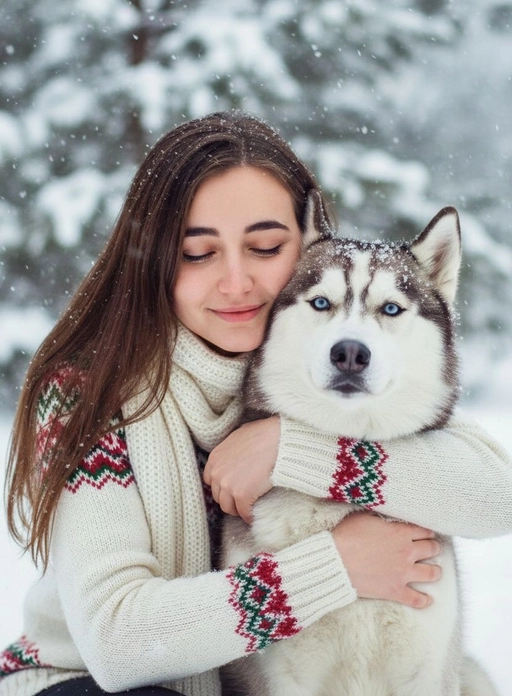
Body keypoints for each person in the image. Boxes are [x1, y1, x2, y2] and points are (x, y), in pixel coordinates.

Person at [1, 111, 511, 696]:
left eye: (265, 247)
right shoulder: (88, 394)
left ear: (309, 247)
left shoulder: (319, 369)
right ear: (154, 260)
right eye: (198, 253)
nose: (237, 282)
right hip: (85, 681)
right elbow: (119, 643)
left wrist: (296, 451)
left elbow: (496, 496)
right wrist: (337, 567)